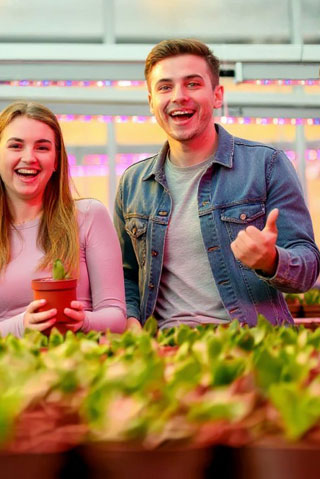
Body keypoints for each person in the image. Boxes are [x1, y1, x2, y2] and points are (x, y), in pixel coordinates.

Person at [115, 39, 320, 330]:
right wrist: (132, 319)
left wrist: (271, 260)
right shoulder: (133, 184)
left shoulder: (266, 164)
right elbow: (124, 276)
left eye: (193, 84)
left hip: (252, 342)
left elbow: (308, 268)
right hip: (166, 346)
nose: (178, 96)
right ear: (151, 102)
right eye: (165, 87)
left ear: (217, 95)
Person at [0, 101, 127, 337]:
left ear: (56, 160)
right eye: (16, 146)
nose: (29, 157)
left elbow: (116, 316)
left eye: (42, 148)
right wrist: (22, 325)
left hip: (83, 354)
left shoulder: (90, 216)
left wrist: (83, 321)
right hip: (8, 358)